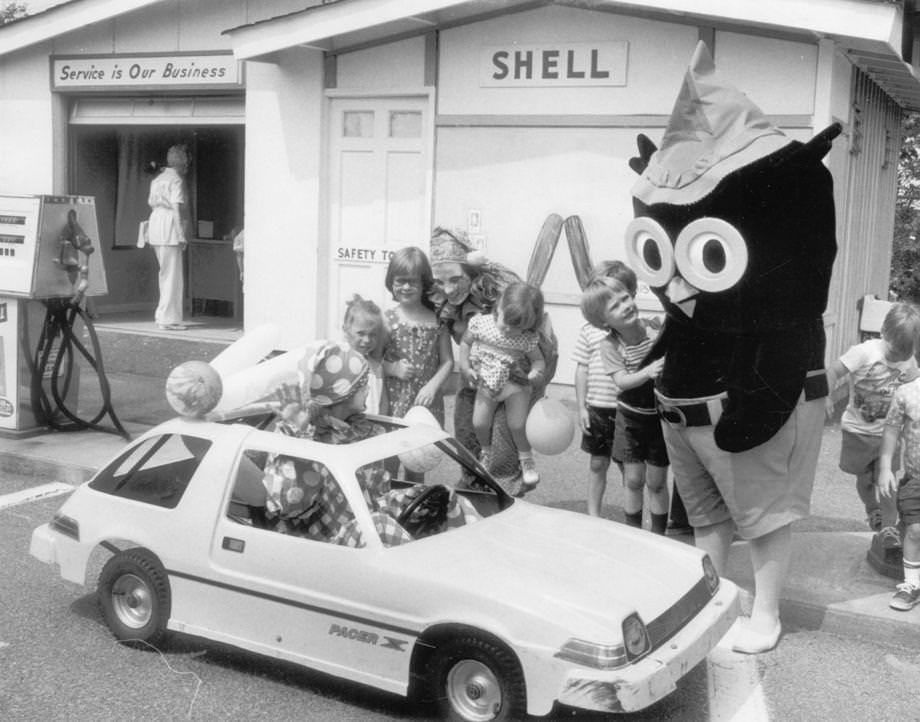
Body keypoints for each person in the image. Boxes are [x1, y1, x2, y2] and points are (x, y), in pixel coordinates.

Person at [261, 341, 478, 545]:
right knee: (379, 525)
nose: (368, 390)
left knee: (443, 497)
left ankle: (476, 554)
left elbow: (374, 498)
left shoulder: (356, 427)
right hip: (326, 542)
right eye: (363, 385)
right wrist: (301, 441)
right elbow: (289, 504)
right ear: (343, 394)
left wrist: (414, 497)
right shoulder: (294, 436)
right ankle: (423, 577)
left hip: (366, 528)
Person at [429, 227, 558, 496]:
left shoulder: (501, 293)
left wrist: (536, 379)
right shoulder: (442, 300)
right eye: (441, 282)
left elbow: (544, 347)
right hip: (477, 378)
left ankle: (505, 497)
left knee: (506, 439)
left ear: (471, 272)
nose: (449, 289)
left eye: (455, 279)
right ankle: (475, 489)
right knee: (466, 434)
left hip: (515, 379)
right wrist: (467, 367)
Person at [826, 302, 920, 547]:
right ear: (883, 332)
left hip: (888, 433)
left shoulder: (909, 360)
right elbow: (833, 371)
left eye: (905, 354)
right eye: (895, 351)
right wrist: (826, 394)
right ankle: (872, 509)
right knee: (864, 479)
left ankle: (889, 529)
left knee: (886, 479)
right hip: (857, 431)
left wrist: (916, 376)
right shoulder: (864, 352)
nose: (899, 358)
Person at [583, 275, 669, 533]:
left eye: (626, 298)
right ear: (603, 321)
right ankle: (633, 532)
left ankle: (658, 536)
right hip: (631, 420)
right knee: (633, 480)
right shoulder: (609, 346)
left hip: (658, 418)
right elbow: (621, 381)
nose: (626, 305)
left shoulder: (654, 328)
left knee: (656, 483)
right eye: (615, 306)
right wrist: (648, 371)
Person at [459, 282, 546, 490]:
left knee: (517, 425)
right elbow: (465, 344)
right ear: (498, 307)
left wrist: (535, 372)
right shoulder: (481, 325)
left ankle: (526, 459)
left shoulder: (526, 339)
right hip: (486, 384)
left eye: (517, 327)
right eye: (506, 322)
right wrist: (464, 367)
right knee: (479, 423)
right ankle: (486, 451)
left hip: (514, 385)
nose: (508, 330)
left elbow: (538, 360)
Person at [573, 261, 635, 517]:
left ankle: (633, 511)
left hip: (626, 408)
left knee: (629, 467)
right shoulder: (589, 332)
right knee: (598, 463)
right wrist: (581, 407)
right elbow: (582, 368)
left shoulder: (633, 331)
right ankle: (593, 515)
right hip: (598, 407)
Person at [382, 247, 453, 425]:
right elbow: (371, 360)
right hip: (394, 400)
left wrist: (432, 386)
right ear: (391, 282)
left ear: (424, 284)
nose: (406, 287)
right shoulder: (386, 320)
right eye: (400, 281)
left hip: (428, 401)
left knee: (426, 447)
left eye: (412, 282)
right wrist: (392, 368)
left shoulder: (438, 319)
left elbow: (448, 361)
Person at [879, 372, 920, 610]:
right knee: (915, 531)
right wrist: (885, 467)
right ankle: (912, 584)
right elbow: (891, 430)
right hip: (916, 479)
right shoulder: (906, 392)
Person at [146, 144, 190, 331]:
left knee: (164, 273)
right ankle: (168, 318)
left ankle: (163, 315)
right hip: (169, 225)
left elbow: (151, 203)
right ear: (183, 162)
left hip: (156, 224)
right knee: (172, 275)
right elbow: (176, 208)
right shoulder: (176, 180)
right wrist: (181, 234)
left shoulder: (157, 179)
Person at [342, 295, 388, 415]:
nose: (367, 340)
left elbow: (383, 403)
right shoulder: (340, 362)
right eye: (361, 333)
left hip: (373, 427)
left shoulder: (376, 368)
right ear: (346, 330)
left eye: (373, 334)